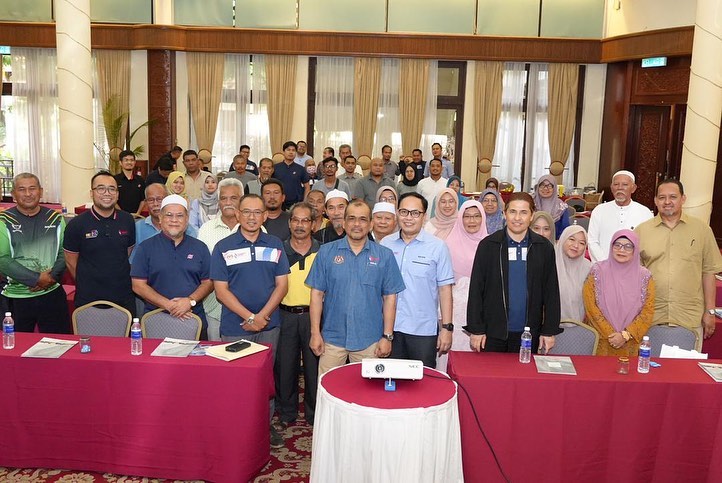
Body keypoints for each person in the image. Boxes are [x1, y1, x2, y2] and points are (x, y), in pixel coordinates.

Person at [210, 194, 289, 448]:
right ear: (238, 214)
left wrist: (262, 316)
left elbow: (282, 285)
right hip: (235, 325)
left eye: (257, 212)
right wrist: (250, 317)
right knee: (237, 379)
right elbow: (221, 291)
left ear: (265, 216)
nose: (252, 217)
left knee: (265, 378)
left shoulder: (275, 244)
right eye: (247, 212)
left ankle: (265, 425)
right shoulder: (223, 247)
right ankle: (238, 426)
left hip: (269, 324)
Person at [306, 199, 405, 375]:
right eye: (351, 218)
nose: (357, 224)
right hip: (332, 339)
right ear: (344, 223)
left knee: (367, 390)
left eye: (362, 219)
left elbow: (390, 297)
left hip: (370, 341)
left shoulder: (385, 255)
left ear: (371, 224)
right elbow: (316, 294)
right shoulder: (326, 252)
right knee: (328, 388)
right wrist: (315, 333)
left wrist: (387, 336)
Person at [466, 192, 561, 354]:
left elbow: (551, 292)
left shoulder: (543, 248)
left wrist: (549, 331)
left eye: (523, 212)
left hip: (529, 334)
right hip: (492, 332)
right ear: (504, 214)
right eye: (512, 212)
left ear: (531, 216)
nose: (517, 218)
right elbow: (476, 290)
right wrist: (476, 329)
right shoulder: (489, 245)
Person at [636, 179, 722, 349]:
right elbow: (633, 275)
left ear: (683, 199)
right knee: (648, 363)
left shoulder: (702, 230)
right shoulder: (641, 231)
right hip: (651, 313)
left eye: (673, 197)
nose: (667, 202)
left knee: (687, 364)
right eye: (662, 197)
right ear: (655, 201)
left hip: (689, 315)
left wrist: (710, 311)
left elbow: (708, 272)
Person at [381, 192, 454, 368]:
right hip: (389, 329)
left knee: (423, 380)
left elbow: (445, 290)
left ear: (424, 216)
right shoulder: (385, 244)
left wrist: (447, 328)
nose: (408, 218)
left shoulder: (437, 247)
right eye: (404, 212)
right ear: (397, 213)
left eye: (415, 213)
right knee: (391, 379)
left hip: (423, 330)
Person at [131, 195, 213, 339]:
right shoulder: (146, 248)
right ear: (160, 218)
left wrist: (189, 301)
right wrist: (169, 305)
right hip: (155, 320)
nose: (174, 220)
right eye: (169, 215)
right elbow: (138, 285)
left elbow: (209, 282)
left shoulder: (200, 248)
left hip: (193, 319)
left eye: (180, 215)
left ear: (187, 219)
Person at [0, 173, 69, 333]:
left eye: (32, 188)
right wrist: (36, 279)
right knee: (14, 346)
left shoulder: (55, 218)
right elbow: (2, 259)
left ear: (41, 191)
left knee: (58, 344)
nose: (28, 194)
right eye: (21, 189)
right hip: (14, 297)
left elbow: (64, 252)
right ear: (13, 194)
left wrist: (51, 278)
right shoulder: (3, 220)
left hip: (52, 294)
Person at [64, 171, 137, 316]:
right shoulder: (76, 224)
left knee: (126, 331)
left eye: (112, 189)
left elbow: (127, 251)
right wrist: (87, 282)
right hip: (89, 297)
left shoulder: (128, 220)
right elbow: (71, 262)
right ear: (92, 193)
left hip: (123, 295)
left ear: (117, 194)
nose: (107, 193)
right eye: (101, 188)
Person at [277, 202, 320, 426]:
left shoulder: (323, 252)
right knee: (285, 367)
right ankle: (287, 413)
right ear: (289, 223)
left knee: (314, 368)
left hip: (315, 317)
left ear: (313, 224)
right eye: (296, 220)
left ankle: (314, 414)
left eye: (305, 220)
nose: (300, 225)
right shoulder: (279, 251)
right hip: (285, 315)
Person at [583, 230, 654, 356]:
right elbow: (590, 306)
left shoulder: (645, 276)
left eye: (628, 246)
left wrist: (625, 335)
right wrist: (611, 335)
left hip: (630, 343)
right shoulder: (597, 271)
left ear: (635, 249)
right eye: (617, 245)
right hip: (601, 340)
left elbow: (647, 312)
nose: (622, 250)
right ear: (611, 247)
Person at [437, 199, 488, 371]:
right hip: (454, 311)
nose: (472, 221)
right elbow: (441, 283)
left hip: (481, 310)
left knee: (477, 364)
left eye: (476, 216)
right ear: (460, 218)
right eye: (467, 216)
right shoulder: (447, 245)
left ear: (483, 218)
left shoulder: (491, 245)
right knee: (452, 357)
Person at [197, 178, 243, 341]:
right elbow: (201, 268)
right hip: (214, 309)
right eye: (223, 198)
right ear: (218, 202)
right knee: (216, 354)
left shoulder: (255, 229)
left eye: (234, 198)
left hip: (248, 309)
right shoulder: (206, 230)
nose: (228, 202)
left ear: (242, 200)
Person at [587, 170, 653, 262]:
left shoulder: (645, 213)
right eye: (616, 184)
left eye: (625, 184)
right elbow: (592, 241)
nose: (620, 188)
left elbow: (648, 244)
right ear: (611, 187)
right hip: (603, 265)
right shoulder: (599, 210)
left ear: (633, 188)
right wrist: (605, 264)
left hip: (633, 267)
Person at [132, 184, 198, 259]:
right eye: (151, 200)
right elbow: (135, 259)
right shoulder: (138, 227)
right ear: (146, 203)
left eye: (159, 199)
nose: (155, 204)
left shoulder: (183, 227)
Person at [555, 225, 591, 322]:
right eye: (571, 239)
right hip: (549, 326)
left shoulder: (588, 268)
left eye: (582, 243)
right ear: (563, 239)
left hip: (580, 326)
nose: (576, 246)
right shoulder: (549, 264)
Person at [273, 141, 310, 210]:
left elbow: (307, 187)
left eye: (293, 150)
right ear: (283, 152)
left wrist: (304, 202)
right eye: (288, 150)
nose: (291, 152)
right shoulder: (275, 168)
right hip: (279, 203)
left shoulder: (301, 169)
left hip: (296, 204)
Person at [532, 175, 570, 239]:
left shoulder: (561, 206)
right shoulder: (530, 204)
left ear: (554, 188)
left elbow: (565, 229)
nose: (545, 188)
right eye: (542, 185)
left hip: (555, 242)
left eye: (549, 186)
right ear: (538, 187)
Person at [114, 149, 145, 216]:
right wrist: (123, 215)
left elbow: (143, 199)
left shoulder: (140, 180)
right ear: (120, 163)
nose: (129, 162)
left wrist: (138, 213)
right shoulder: (115, 180)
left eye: (131, 160)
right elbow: (113, 199)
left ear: (135, 162)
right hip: (119, 216)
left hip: (137, 216)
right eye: (126, 160)